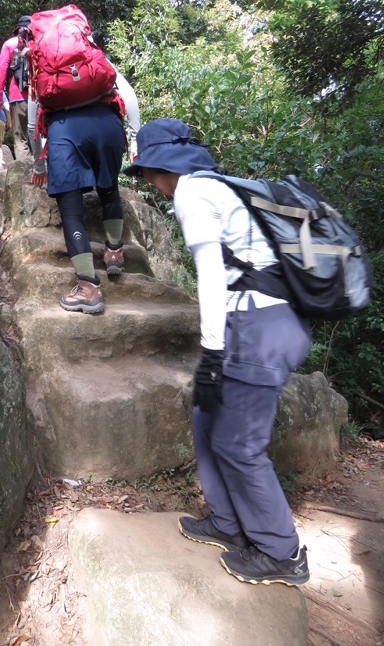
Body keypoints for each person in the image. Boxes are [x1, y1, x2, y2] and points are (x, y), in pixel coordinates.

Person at [122, 117, 312, 587]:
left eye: (147, 171)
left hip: (261, 326)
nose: (149, 182)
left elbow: (210, 272)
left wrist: (210, 354)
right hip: (263, 322)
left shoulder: (191, 193)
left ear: (162, 168)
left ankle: (282, 554)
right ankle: (226, 523)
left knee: (238, 444)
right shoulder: (221, 187)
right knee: (206, 416)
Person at [41, 68, 140, 315]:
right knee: (109, 187)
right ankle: (115, 253)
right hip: (108, 125)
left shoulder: (42, 57)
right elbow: (129, 94)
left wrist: (36, 160)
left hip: (65, 128)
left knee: (71, 210)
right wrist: (136, 137)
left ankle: (88, 288)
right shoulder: (91, 54)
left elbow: (35, 110)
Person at [0, 16, 31, 162]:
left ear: (17, 29)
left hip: (18, 95)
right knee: (42, 136)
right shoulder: (40, 44)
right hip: (42, 96)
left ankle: (26, 179)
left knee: (21, 138)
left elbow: (1, 69)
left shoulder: (10, 44)